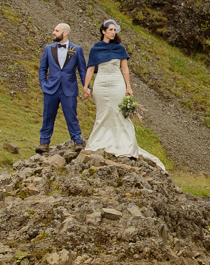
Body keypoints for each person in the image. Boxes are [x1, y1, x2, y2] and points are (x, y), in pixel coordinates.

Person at [82, 18, 165, 170]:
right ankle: (101, 141)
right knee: (102, 112)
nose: (113, 33)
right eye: (110, 30)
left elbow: (124, 69)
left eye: (115, 30)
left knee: (119, 112)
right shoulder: (96, 48)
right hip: (101, 83)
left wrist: (128, 87)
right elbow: (90, 68)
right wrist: (86, 86)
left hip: (116, 82)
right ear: (103, 31)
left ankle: (124, 144)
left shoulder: (119, 49)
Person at [36, 23, 86, 154]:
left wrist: (86, 86)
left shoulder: (76, 49)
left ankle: (77, 141)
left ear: (65, 33)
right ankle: (44, 143)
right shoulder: (48, 49)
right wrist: (43, 84)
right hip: (50, 88)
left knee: (71, 116)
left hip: (69, 89)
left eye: (56, 31)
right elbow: (42, 68)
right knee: (48, 116)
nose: (53, 32)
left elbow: (82, 70)